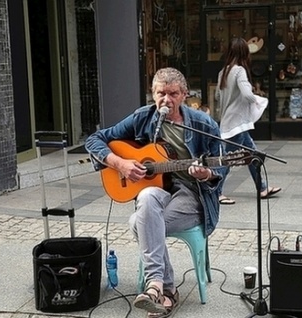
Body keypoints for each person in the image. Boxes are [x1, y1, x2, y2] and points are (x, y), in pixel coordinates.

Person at [85, 67, 227, 318]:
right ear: (153, 94)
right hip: (160, 191)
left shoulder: (203, 124)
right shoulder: (144, 117)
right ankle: (161, 288)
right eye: (161, 93)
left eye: (173, 93)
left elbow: (222, 163)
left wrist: (206, 174)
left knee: (140, 223)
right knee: (147, 196)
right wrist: (122, 164)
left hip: (193, 195)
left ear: (184, 94)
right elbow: (95, 139)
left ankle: (161, 289)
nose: (166, 100)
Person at [215, 37, 281, 205]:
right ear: (245, 52)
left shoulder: (223, 72)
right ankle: (217, 192)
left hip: (228, 121)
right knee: (229, 159)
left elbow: (217, 96)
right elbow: (247, 94)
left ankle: (262, 188)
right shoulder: (239, 71)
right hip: (237, 123)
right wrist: (256, 99)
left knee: (252, 155)